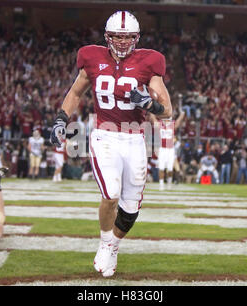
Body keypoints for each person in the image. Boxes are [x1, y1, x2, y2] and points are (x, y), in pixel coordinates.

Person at [50, 11, 172, 278]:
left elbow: (167, 112)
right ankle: (105, 242)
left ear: (136, 37)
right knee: (111, 194)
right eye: (117, 35)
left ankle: (113, 245)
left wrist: (150, 104)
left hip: (135, 138)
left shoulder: (150, 62)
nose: (122, 41)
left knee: (131, 207)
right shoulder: (92, 57)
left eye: (128, 36)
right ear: (107, 36)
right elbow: (75, 92)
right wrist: (61, 119)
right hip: (104, 135)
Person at [150, 110, 184, 190]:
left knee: (170, 168)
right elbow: (153, 119)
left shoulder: (172, 125)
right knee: (161, 167)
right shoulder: (160, 124)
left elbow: (179, 122)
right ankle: (161, 184)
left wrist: (182, 114)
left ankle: (169, 182)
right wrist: (151, 111)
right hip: (162, 149)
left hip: (170, 149)